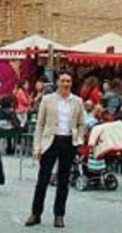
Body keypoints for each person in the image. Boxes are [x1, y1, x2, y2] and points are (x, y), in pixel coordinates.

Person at [26, 71, 85, 228]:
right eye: (63, 81)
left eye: (69, 81)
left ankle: (59, 215)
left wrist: (79, 139)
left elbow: (81, 123)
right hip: (50, 141)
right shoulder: (47, 100)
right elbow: (40, 124)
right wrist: (37, 146)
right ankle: (35, 213)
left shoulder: (77, 101)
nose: (66, 84)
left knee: (63, 181)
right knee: (42, 180)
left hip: (68, 142)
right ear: (58, 83)